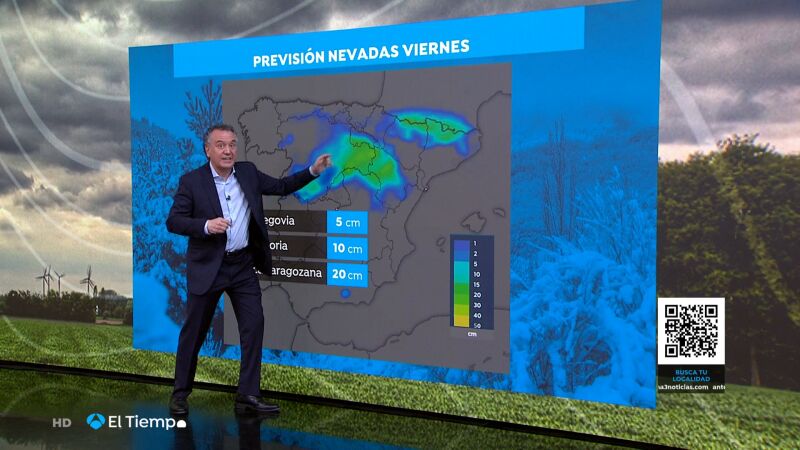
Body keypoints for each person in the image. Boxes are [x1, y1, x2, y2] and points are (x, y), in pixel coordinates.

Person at [166, 124, 331, 415]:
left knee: (254, 326)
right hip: (209, 267)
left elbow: (281, 187)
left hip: (242, 266)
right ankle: (180, 394)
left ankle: (248, 395)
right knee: (194, 333)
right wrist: (206, 226)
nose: (228, 150)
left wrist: (313, 171)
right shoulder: (192, 182)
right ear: (208, 150)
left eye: (232, 144)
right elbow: (174, 221)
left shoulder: (248, 173)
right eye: (220, 145)